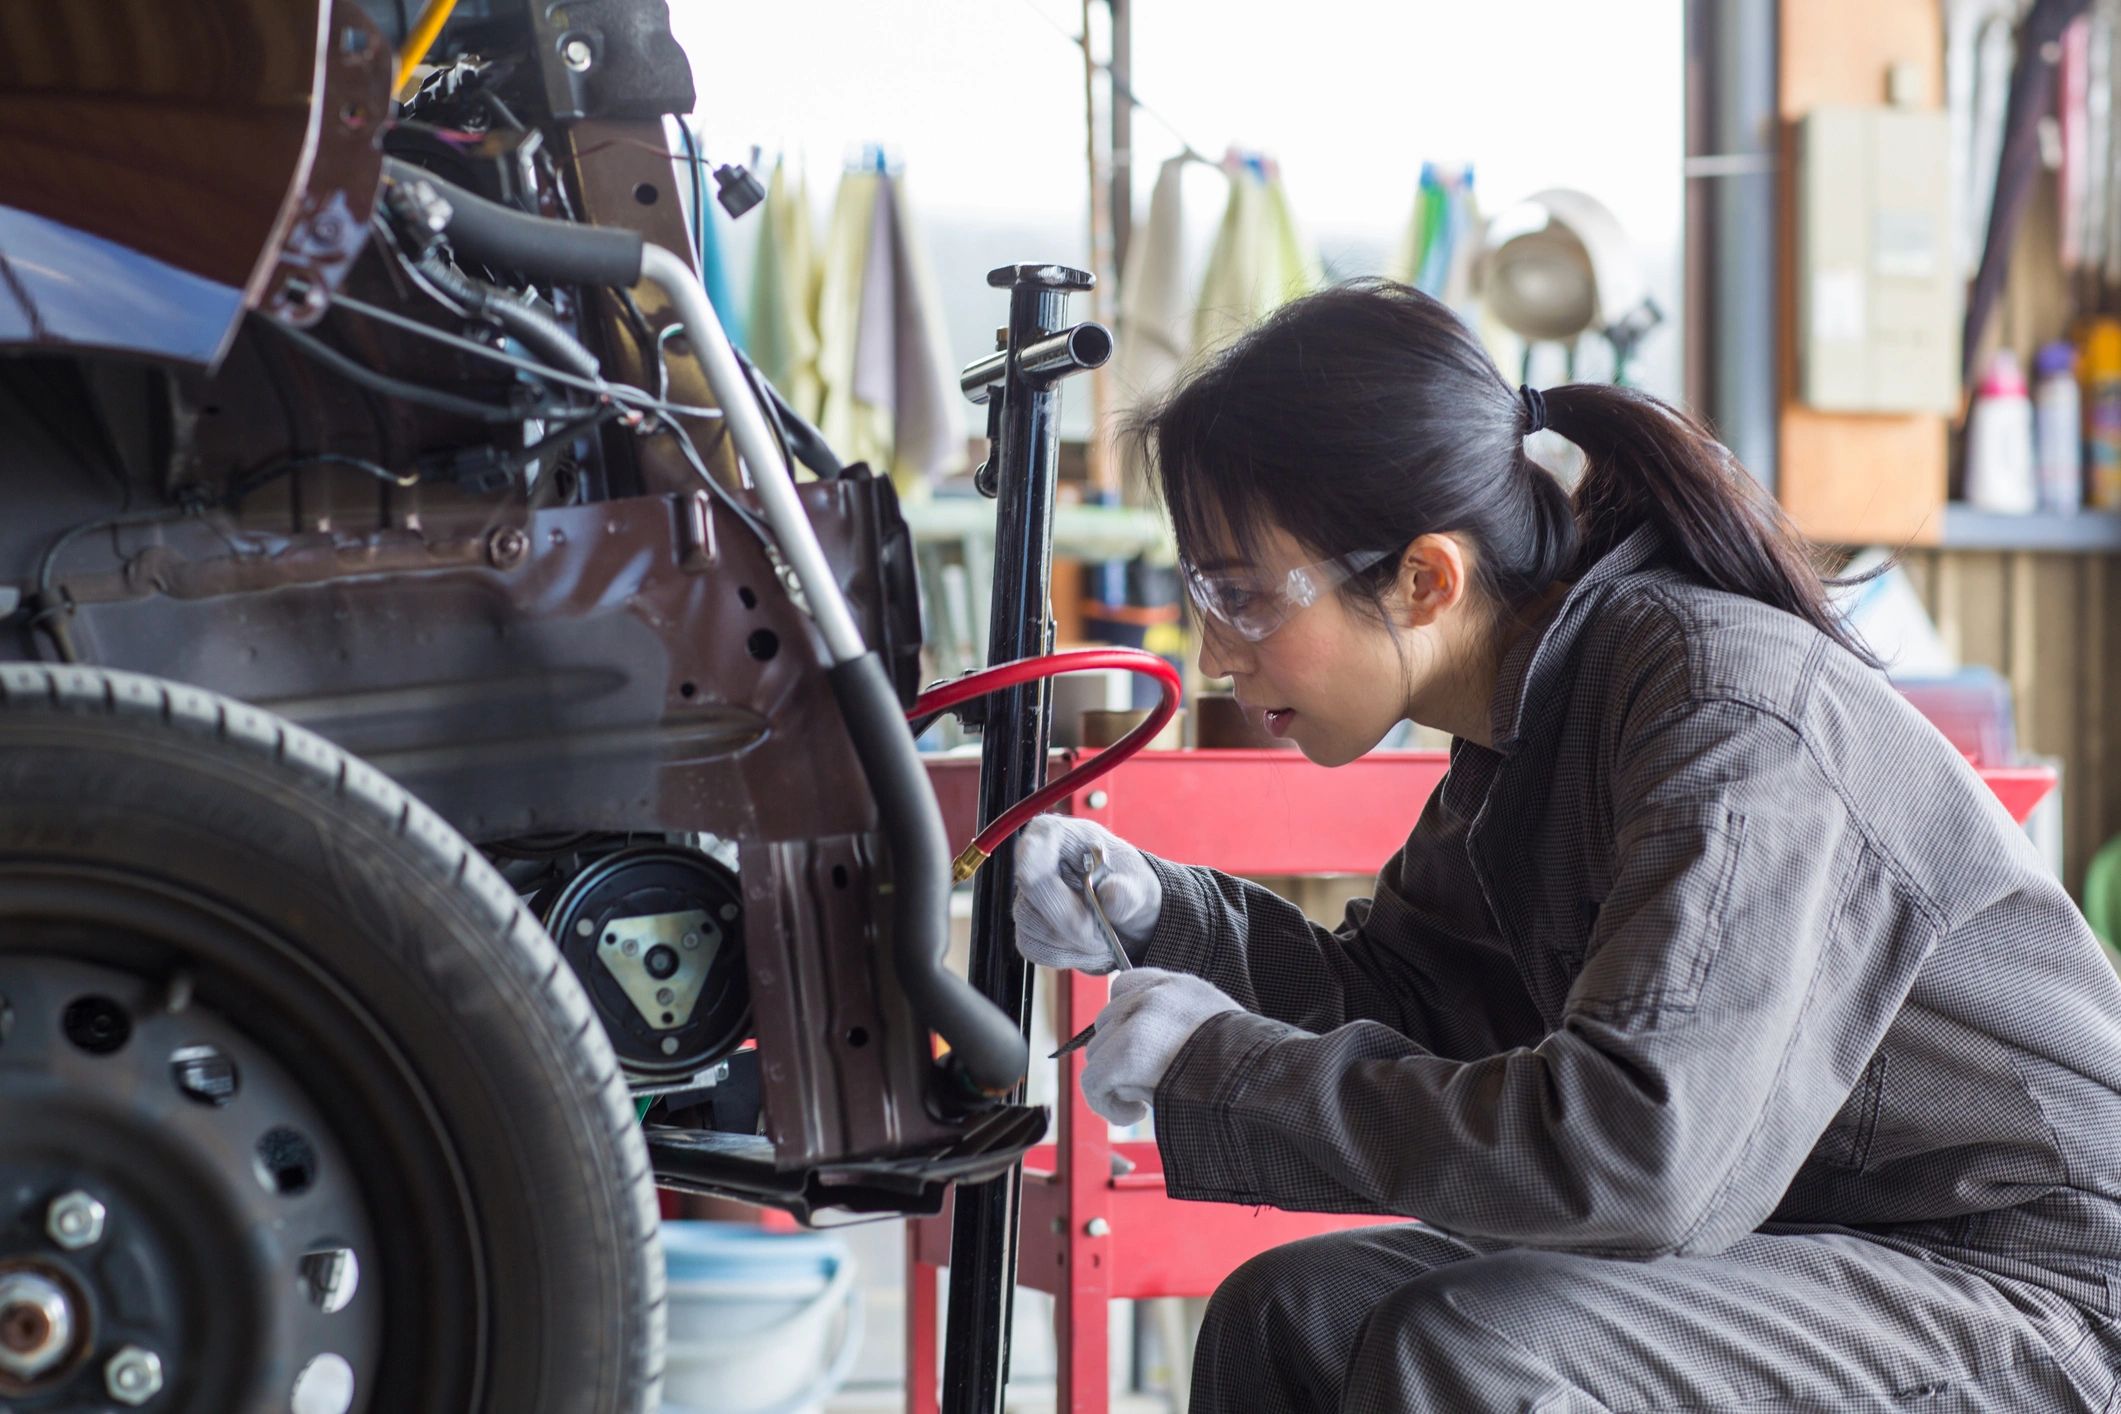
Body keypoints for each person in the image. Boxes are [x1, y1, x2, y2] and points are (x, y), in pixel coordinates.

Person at [1012, 280, 2121, 1411]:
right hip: (1827, 1241)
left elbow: (1633, 1154)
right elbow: (1406, 999)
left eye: (1242, 596)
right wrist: (1159, 915)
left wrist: (1230, 1063)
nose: (1215, 655)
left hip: (2040, 1285)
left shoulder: (1722, 714)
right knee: (1292, 1312)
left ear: (1425, 578)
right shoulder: (1532, 720)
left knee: (1470, 1344)